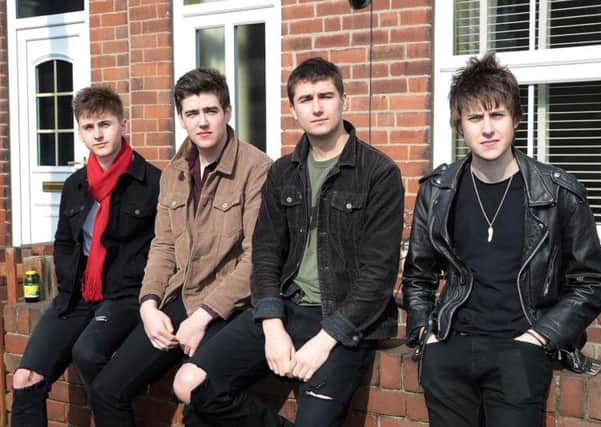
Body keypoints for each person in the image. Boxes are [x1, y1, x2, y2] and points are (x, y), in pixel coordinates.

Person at [169, 57, 405, 426]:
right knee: (189, 383)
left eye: (325, 95)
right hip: (286, 307)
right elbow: (264, 256)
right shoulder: (283, 172)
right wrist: (272, 324)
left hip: (342, 318)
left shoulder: (379, 174)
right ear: (293, 109)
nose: (317, 106)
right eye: (305, 98)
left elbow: (377, 278)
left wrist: (325, 341)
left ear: (345, 100)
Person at [402, 52, 601, 427]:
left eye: (496, 115)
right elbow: (418, 275)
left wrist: (540, 336)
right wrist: (425, 334)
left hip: (519, 349)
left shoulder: (558, 192)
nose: (487, 129)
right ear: (460, 126)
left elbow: (592, 281)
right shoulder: (438, 192)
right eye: (475, 118)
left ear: (515, 119)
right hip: (450, 348)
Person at [87, 68, 272, 425]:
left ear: (228, 112)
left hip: (227, 308)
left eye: (211, 111)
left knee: (198, 404)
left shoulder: (257, 168)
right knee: (106, 390)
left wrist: (202, 316)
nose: (202, 122)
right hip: (177, 300)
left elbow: (256, 259)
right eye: (192, 113)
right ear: (181, 119)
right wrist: (148, 304)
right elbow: (163, 246)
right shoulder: (174, 171)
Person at [11, 86, 161, 426]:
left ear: (124, 124)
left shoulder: (152, 183)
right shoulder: (75, 185)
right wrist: (69, 279)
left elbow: (161, 248)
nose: (98, 134)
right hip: (76, 298)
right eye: (89, 127)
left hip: (123, 296)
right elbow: (65, 241)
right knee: (24, 379)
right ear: (80, 131)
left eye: (105, 124)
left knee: (89, 354)